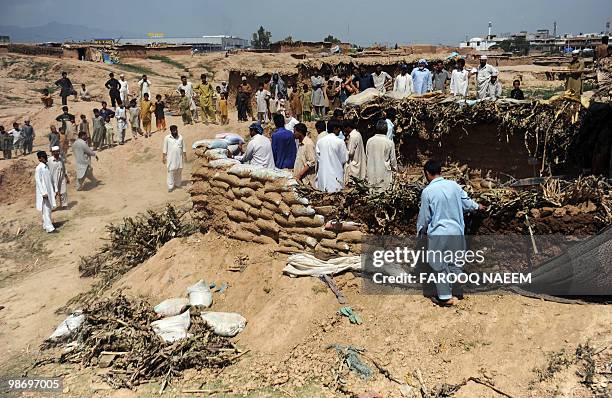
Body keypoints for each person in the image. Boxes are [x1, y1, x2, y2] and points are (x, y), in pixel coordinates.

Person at [416, 159, 485, 306]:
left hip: (439, 233)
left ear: (427, 173)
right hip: (457, 231)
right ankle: (459, 277)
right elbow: (467, 203)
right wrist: (478, 207)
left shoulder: (428, 192)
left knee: (438, 264)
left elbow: (424, 217)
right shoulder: (454, 185)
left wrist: (421, 232)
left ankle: (446, 297)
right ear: (440, 171)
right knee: (454, 261)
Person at [316, 120, 348, 192]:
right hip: (336, 176)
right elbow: (344, 159)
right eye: (338, 128)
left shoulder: (320, 142)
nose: (340, 130)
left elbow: (318, 158)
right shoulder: (340, 142)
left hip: (323, 176)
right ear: (334, 128)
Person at [366, 119, 397, 191]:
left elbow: (367, 156)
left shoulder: (370, 141)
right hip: (384, 173)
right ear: (386, 130)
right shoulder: (389, 142)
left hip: (371, 172)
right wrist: (395, 170)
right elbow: (393, 160)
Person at [35, 151, 56, 233]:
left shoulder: (46, 167)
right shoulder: (39, 168)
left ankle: (45, 225)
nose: (45, 158)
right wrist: (43, 193)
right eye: (43, 157)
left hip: (49, 191)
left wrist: (53, 190)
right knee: (46, 210)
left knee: (48, 209)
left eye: (45, 156)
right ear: (40, 158)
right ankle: (50, 228)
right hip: (44, 193)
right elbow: (38, 181)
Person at [162, 125, 186, 192]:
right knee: (171, 172)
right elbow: (164, 148)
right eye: (173, 131)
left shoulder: (181, 137)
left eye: (176, 130)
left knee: (179, 171)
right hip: (171, 159)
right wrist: (163, 157)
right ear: (171, 131)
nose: (175, 132)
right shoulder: (167, 138)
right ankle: (170, 186)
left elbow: (183, 148)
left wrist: (185, 156)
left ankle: (178, 184)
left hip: (179, 158)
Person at [293, 123, 317, 188]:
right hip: (301, 179)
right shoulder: (301, 144)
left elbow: (312, 162)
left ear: (300, 132)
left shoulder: (308, 144)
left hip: (307, 180)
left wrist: (300, 175)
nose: (294, 133)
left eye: (295, 131)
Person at [343, 119, 367, 184]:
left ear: (348, 127)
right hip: (358, 164)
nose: (344, 131)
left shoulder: (352, 136)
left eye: (344, 128)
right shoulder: (357, 134)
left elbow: (350, 153)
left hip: (354, 166)